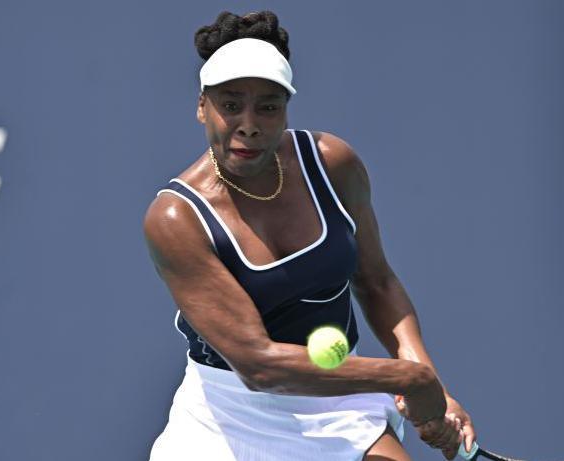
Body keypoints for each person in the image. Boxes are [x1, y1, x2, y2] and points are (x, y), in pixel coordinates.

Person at [144, 10, 476, 461]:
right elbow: (259, 365)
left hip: (338, 398)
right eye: (230, 103)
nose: (248, 123)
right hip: (227, 416)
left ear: (286, 108)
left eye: (268, 106)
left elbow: (376, 281)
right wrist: (408, 379)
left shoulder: (332, 163)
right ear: (202, 106)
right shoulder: (175, 218)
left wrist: (431, 384)